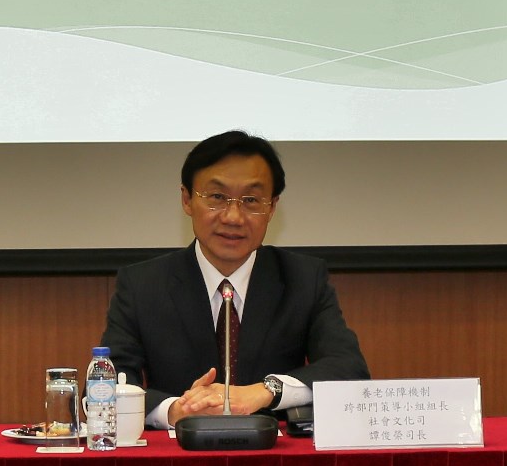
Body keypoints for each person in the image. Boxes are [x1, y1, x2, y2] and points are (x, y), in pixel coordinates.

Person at [101, 129, 369, 426]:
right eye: (217, 197)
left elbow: (349, 368)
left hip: (272, 449)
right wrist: (174, 411)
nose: (233, 217)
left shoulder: (303, 279)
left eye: (251, 200)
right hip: (181, 449)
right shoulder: (142, 285)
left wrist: (266, 390)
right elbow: (106, 384)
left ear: (272, 207)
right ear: (187, 200)